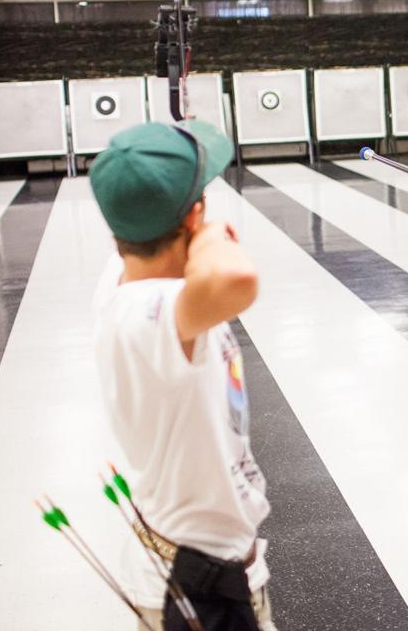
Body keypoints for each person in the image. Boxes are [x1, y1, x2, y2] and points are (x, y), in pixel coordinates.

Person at [89, 120, 277, 631]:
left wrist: (194, 230)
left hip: (198, 567)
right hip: (192, 590)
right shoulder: (153, 312)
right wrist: (211, 235)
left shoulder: (122, 277)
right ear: (193, 216)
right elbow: (235, 278)